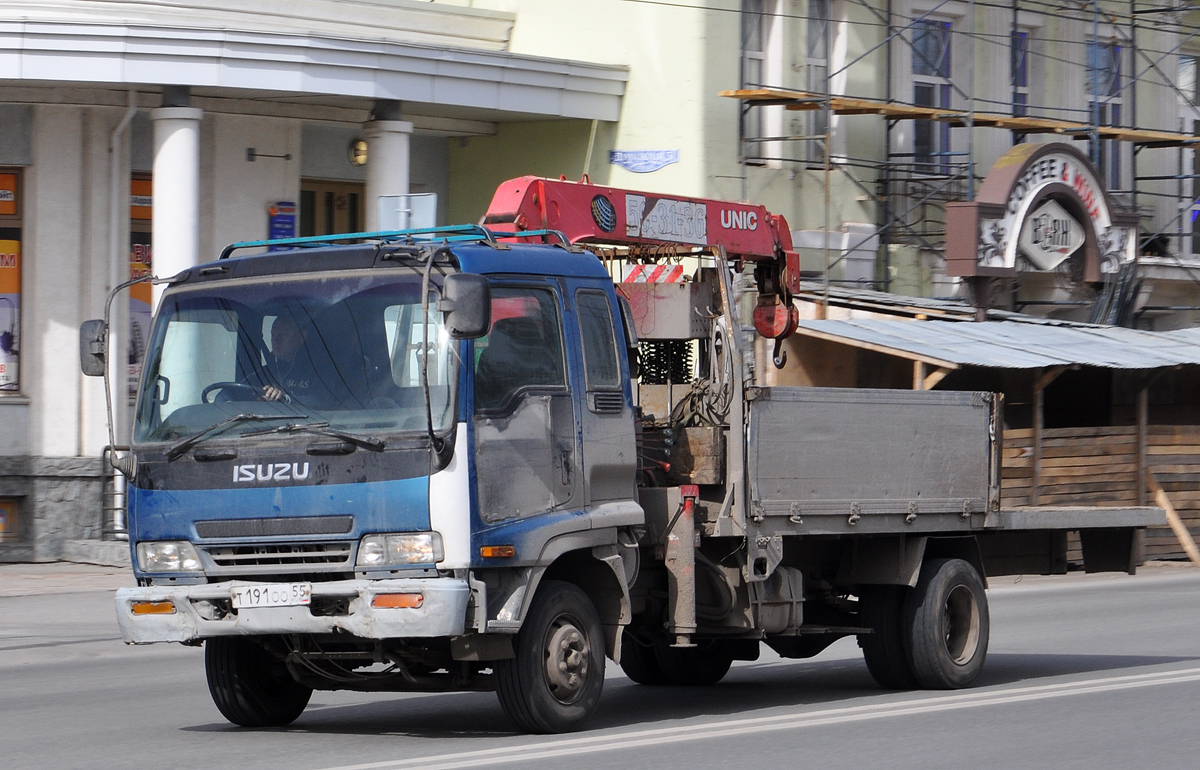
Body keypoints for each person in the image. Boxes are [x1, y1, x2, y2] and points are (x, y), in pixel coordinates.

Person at [262, 315, 306, 402]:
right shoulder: (267, 371)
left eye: (284, 335)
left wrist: (285, 399)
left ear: (301, 337)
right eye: (273, 335)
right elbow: (242, 388)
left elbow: (321, 400)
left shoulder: (317, 369)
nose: (277, 340)